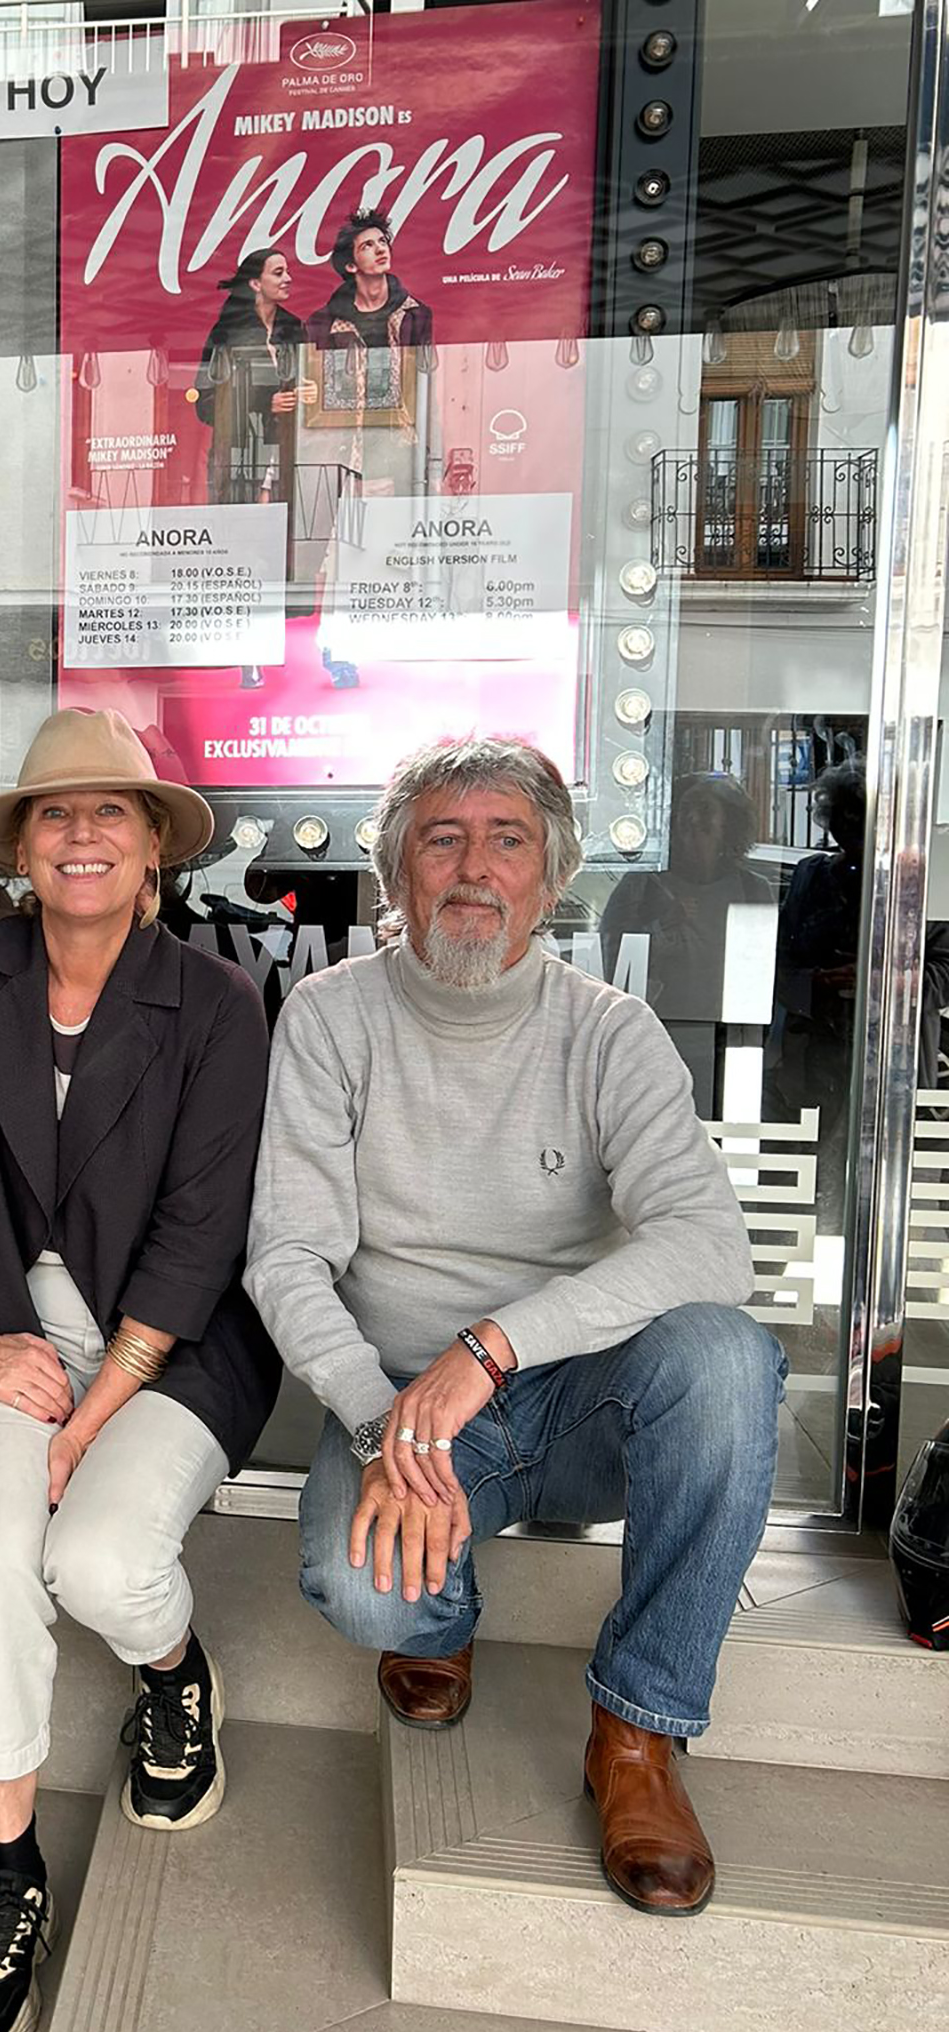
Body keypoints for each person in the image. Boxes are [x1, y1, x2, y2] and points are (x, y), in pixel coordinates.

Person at [245, 736, 785, 1918]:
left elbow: (708, 1245)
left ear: (552, 879)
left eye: (507, 839)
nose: (473, 868)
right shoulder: (330, 1018)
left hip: (579, 1394)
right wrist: (386, 1419)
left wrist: (488, 1346)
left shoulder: (607, 1029)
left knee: (729, 1364)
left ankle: (635, 1731)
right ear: (394, 878)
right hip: (407, 1411)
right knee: (363, 1587)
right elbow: (285, 1256)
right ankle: (442, 1618)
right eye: (440, 838)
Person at [0, 708, 279, 2032]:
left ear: (154, 847)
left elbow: (203, 1231)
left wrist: (90, 1419)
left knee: (93, 1563)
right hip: (4, 1348)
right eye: (55, 813)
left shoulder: (212, 997)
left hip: (173, 1345)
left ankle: (172, 1674)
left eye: (111, 813)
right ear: (24, 848)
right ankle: (11, 1873)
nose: (81, 834)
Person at [600, 772, 773, 1113]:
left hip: (729, 1048)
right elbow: (612, 964)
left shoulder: (753, 890)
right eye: (685, 809)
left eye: (705, 809)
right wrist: (662, 926)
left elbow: (762, 979)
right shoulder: (641, 885)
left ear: (729, 824)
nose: (693, 819)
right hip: (653, 1042)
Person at [191, 246, 316, 504]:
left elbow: (310, 378)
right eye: (278, 273)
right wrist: (263, 403)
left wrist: (312, 391)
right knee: (243, 532)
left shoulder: (293, 328)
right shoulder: (227, 333)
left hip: (289, 448)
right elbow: (205, 404)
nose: (288, 278)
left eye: (287, 272)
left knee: (288, 531)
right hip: (242, 454)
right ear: (256, 283)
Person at [304, 207, 432, 420]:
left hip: (400, 433)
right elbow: (312, 385)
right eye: (368, 246)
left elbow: (429, 383)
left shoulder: (415, 315)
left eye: (383, 242)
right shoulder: (322, 323)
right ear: (351, 265)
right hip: (340, 433)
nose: (381, 250)